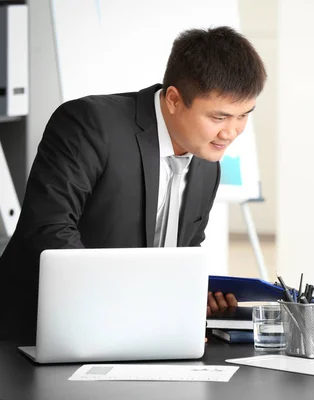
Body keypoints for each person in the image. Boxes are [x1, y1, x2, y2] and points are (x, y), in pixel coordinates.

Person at [0, 26, 265, 343]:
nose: (231, 133)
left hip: (136, 341)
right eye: (219, 117)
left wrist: (191, 298)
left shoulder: (207, 165)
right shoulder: (89, 124)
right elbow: (47, 232)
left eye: (243, 115)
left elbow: (180, 258)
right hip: (33, 335)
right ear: (173, 100)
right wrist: (136, 315)